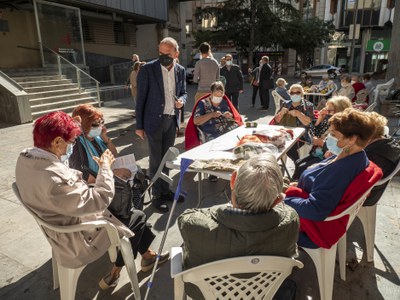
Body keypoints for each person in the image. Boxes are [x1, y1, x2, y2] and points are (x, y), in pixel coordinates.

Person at [15, 111, 169, 293]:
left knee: (131, 214)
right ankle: (118, 270)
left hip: (61, 218)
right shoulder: (53, 180)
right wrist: (105, 169)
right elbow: (99, 201)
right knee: (138, 217)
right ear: (57, 142)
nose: (71, 147)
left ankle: (146, 256)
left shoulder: (27, 159)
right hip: (77, 239)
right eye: (71, 142)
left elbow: (67, 180)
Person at [178, 153, 299, 299]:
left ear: (233, 180)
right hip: (265, 293)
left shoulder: (195, 224)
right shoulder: (291, 220)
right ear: (277, 201)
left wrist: (222, 209)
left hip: (208, 294)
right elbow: (284, 210)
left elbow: (185, 218)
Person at [285, 108, 381, 249]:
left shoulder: (341, 171)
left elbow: (316, 210)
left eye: (333, 134)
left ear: (352, 139)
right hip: (312, 210)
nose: (327, 138)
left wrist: (283, 199)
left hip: (312, 230)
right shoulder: (355, 156)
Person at [135, 37, 187, 213]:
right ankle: (157, 195)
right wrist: (139, 126)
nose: (164, 56)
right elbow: (140, 99)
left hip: (171, 120)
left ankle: (165, 191)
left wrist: (182, 100)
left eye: (168, 53)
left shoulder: (180, 70)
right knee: (156, 160)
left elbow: (184, 92)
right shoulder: (148, 69)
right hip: (153, 121)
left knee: (168, 159)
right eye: (161, 53)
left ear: (176, 54)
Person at [292, 96, 352, 180]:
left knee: (302, 167)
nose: (326, 112)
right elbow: (315, 132)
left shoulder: (344, 127)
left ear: (340, 111)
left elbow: (340, 150)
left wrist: (322, 143)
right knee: (298, 162)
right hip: (318, 152)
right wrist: (320, 118)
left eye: (329, 110)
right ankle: (295, 183)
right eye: (326, 109)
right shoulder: (328, 120)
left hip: (329, 157)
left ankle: (298, 184)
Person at [363, 112, 400, 206]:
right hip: (371, 192)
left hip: (364, 196)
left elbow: (360, 180)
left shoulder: (374, 153)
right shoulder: (387, 143)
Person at [273, 84, 315, 163]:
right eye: (292, 93)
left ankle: (298, 163)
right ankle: (297, 163)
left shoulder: (308, 105)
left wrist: (298, 114)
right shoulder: (285, 104)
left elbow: (309, 123)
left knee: (287, 146)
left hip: (302, 135)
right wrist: (281, 114)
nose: (295, 94)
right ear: (289, 94)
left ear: (302, 94)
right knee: (273, 143)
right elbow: (276, 121)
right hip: (285, 132)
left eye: (297, 92)